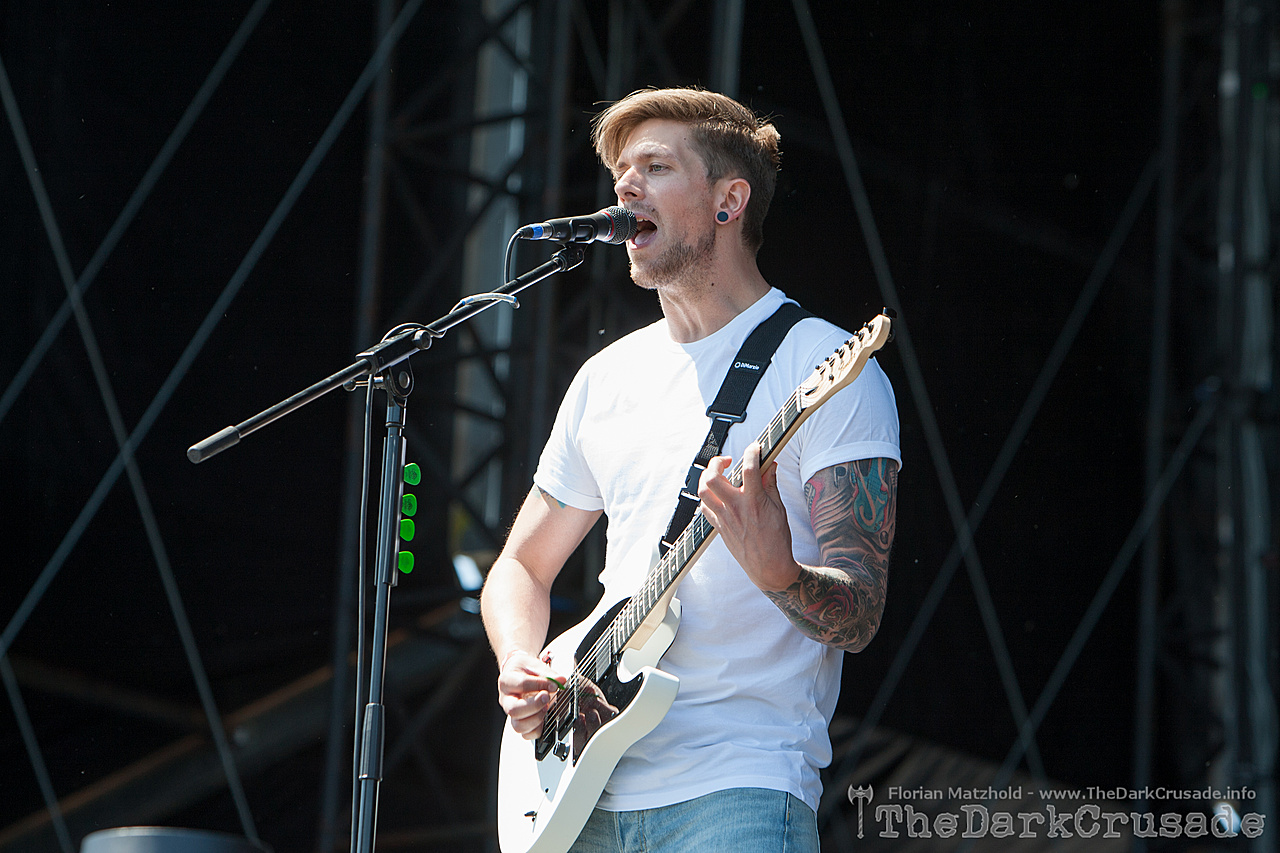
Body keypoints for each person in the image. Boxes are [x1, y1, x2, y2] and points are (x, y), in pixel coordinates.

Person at [480, 87, 900, 852]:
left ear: (728, 201)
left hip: (739, 787)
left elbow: (860, 613)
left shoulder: (826, 366)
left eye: (655, 166)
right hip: (581, 790)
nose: (625, 185)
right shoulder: (606, 378)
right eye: (620, 172)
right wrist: (519, 661)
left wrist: (779, 573)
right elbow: (521, 567)